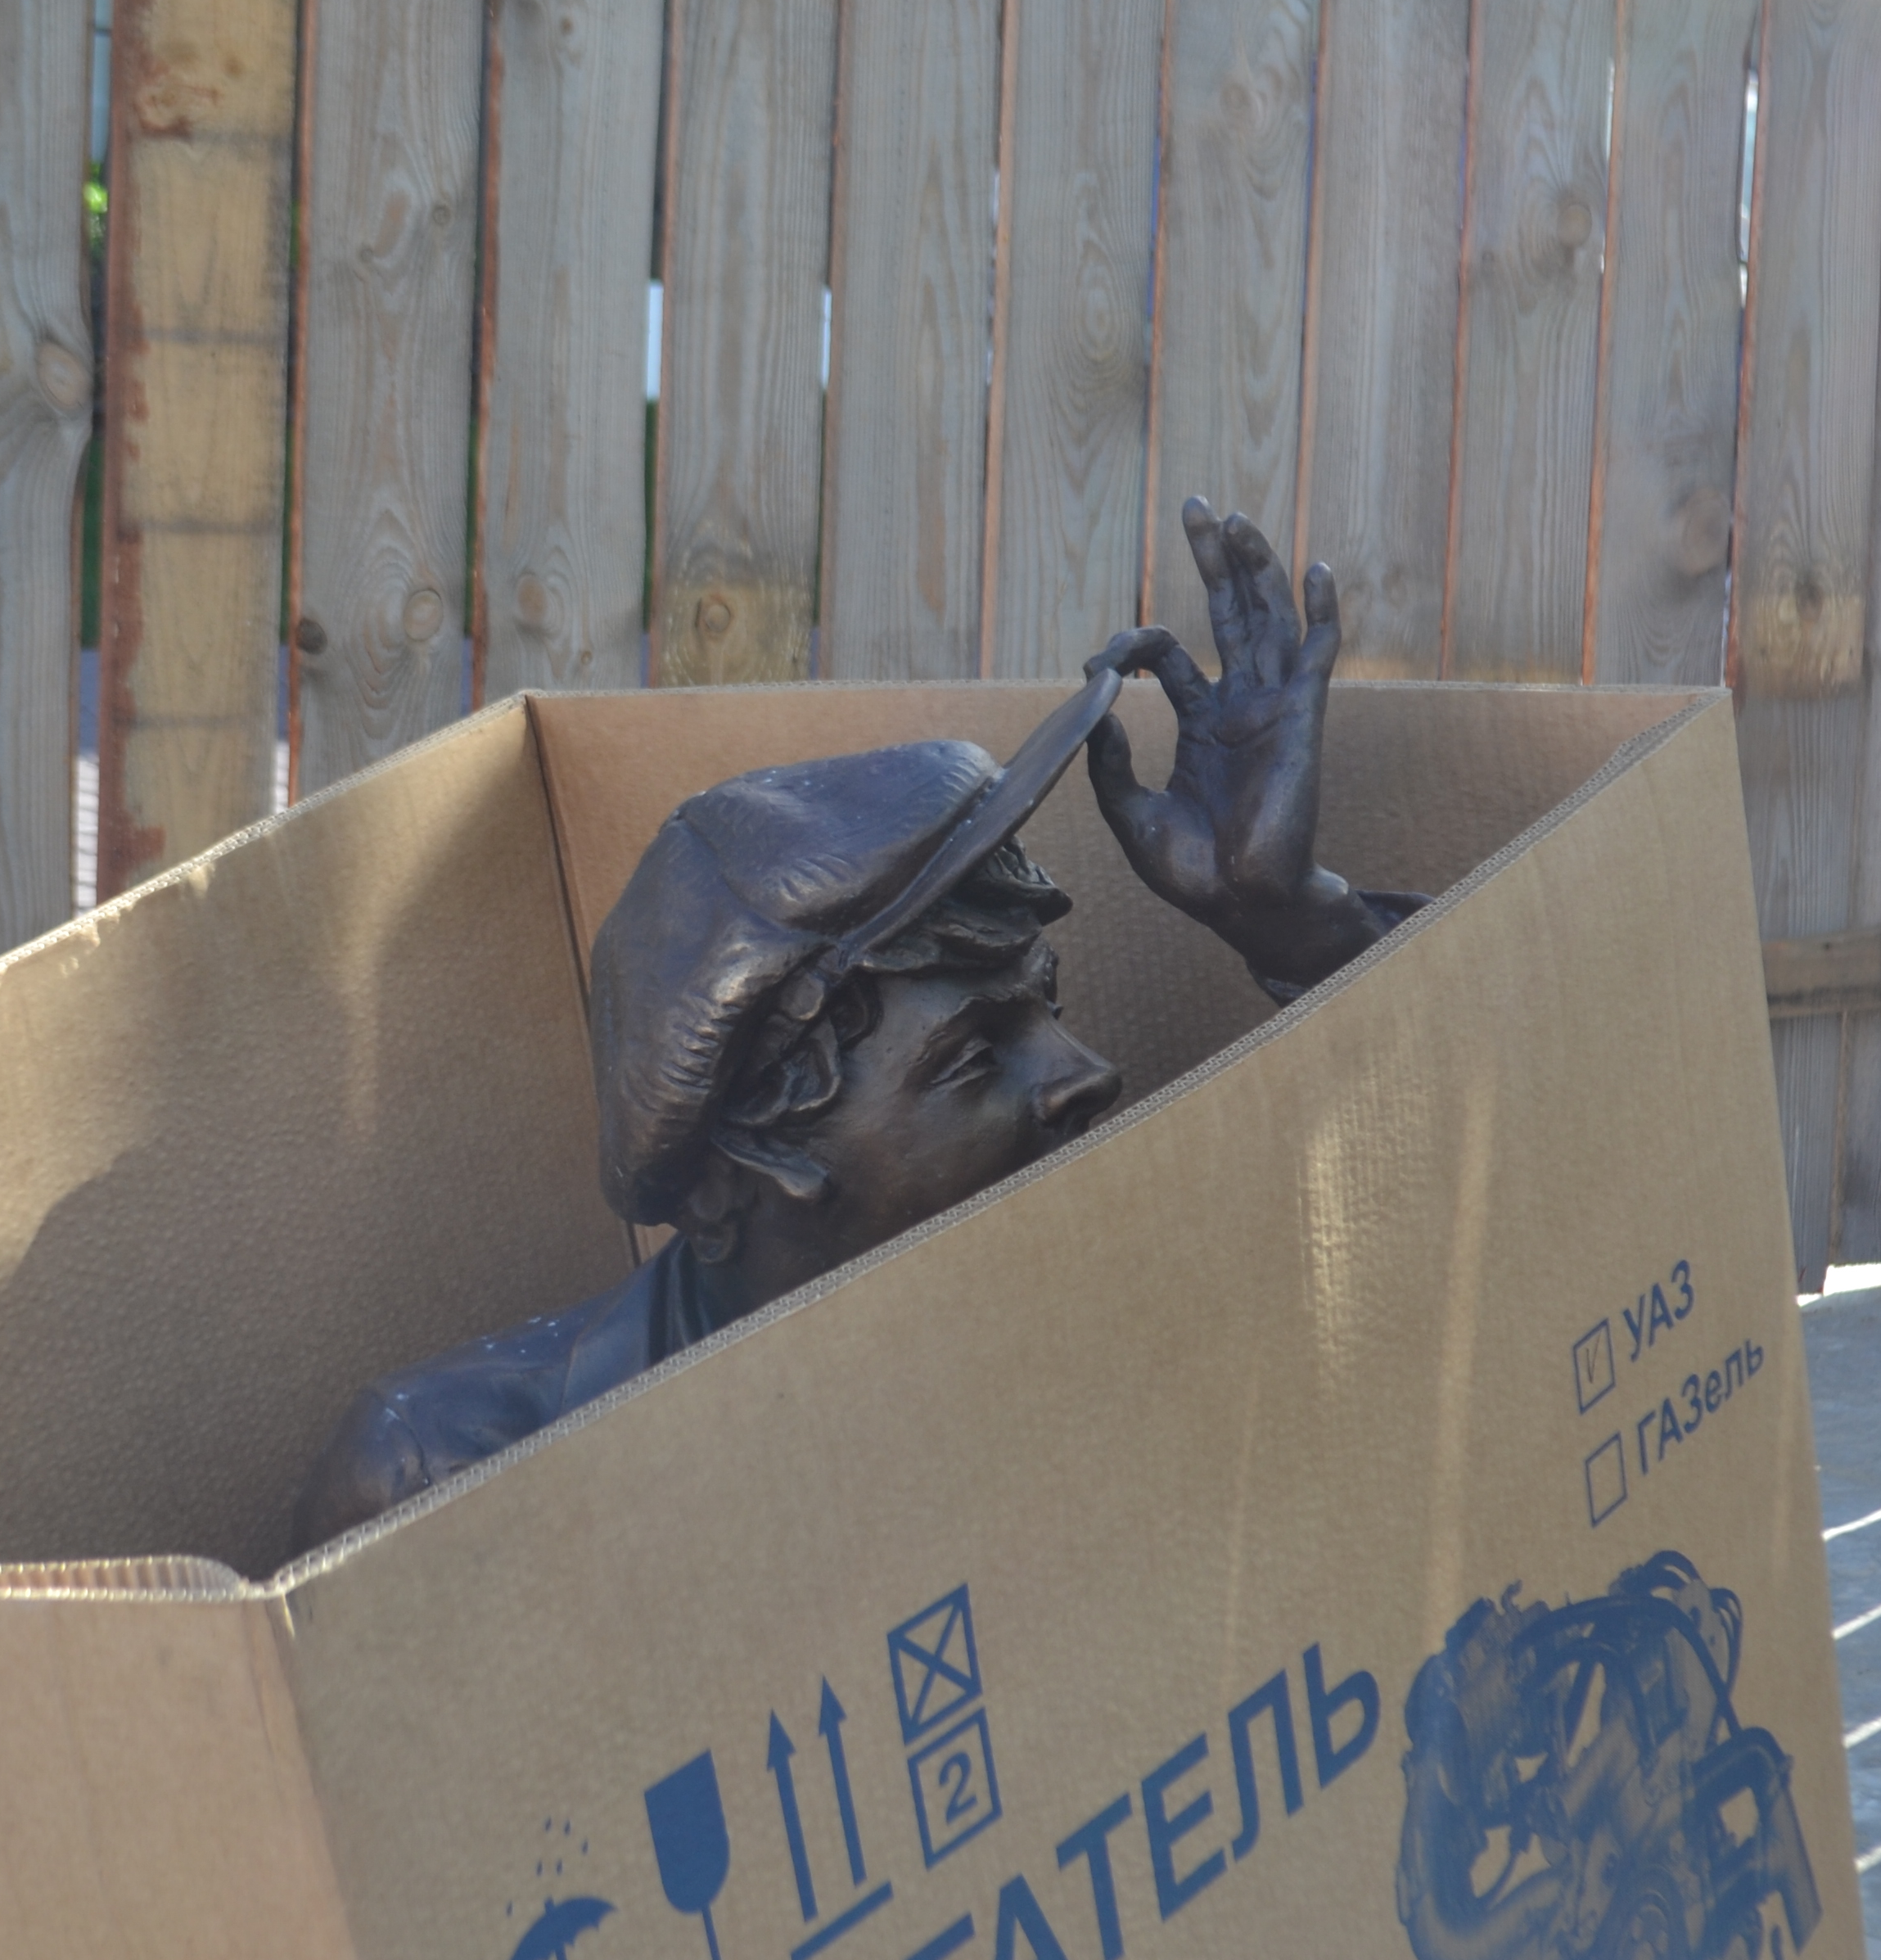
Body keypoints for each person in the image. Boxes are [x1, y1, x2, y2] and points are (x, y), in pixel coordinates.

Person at [291, 504, 1419, 1547]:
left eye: (1049, 1005)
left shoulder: (1108, 1316)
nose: (1091, 1073)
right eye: (970, 1057)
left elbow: (1464, 1286)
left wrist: (1295, 926)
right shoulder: (446, 1477)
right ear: (735, 1181)